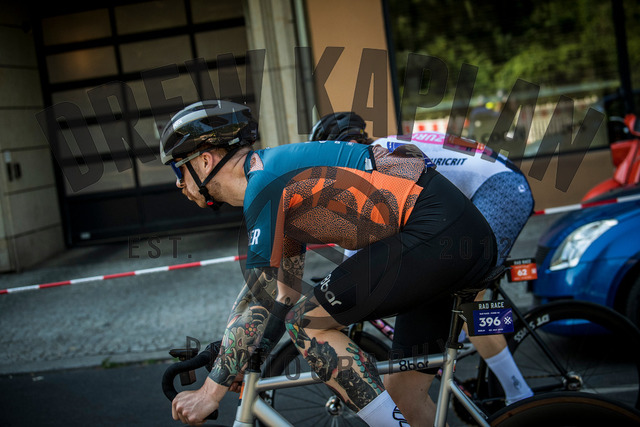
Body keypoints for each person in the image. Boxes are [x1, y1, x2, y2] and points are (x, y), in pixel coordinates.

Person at [162, 100, 497, 426]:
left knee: (307, 322)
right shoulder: (275, 180)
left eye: (179, 169)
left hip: (437, 232)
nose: (178, 183)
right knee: (405, 398)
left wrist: (210, 392)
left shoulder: (264, 183)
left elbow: (261, 302)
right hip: (449, 236)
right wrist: (240, 359)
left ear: (204, 161)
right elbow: (281, 294)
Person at [310, 112, 535, 417]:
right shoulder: (381, 149)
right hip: (490, 183)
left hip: (500, 188)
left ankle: (520, 396)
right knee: (459, 296)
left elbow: (370, 230)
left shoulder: (378, 157)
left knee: (468, 293)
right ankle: (462, 343)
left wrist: (340, 286)